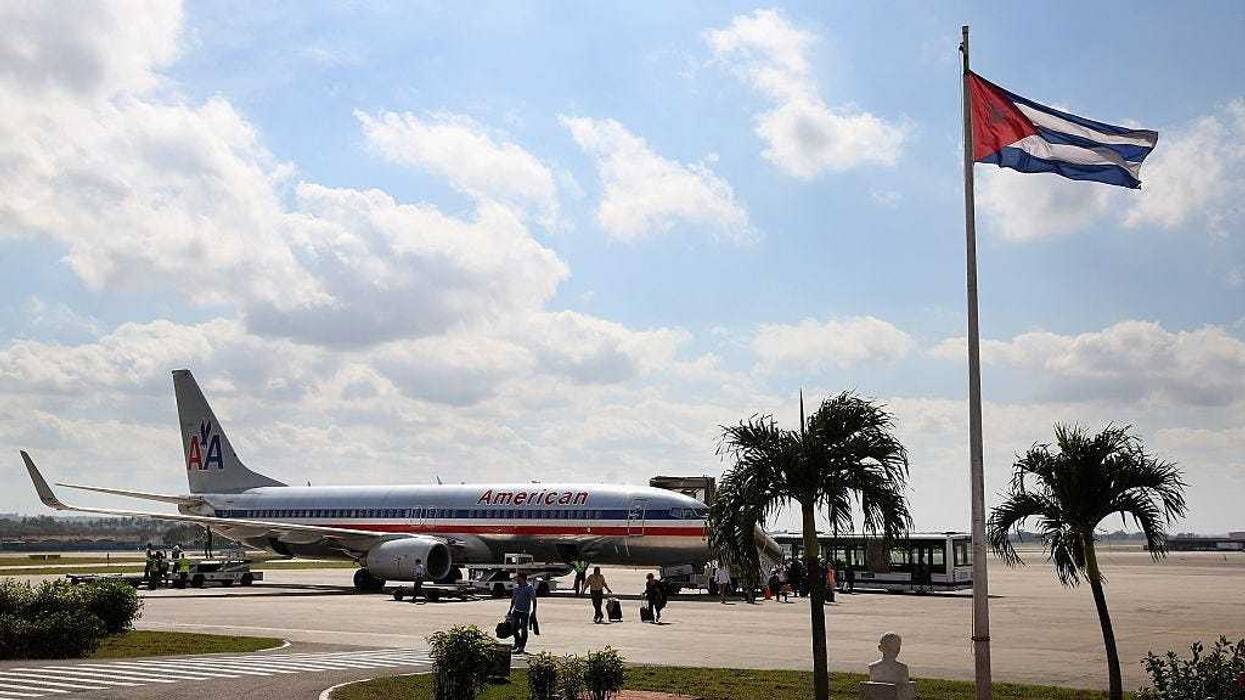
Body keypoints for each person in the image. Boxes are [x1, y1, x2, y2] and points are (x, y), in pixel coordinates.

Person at [508, 572, 537, 654]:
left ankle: (522, 646)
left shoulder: (529, 588)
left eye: (517, 578)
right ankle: (517, 642)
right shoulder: (516, 588)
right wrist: (510, 610)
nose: (516, 579)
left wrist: (534, 611)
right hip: (516, 611)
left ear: (522, 578)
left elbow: (534, 600)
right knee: (513, 628)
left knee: (524, 630)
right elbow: (513, 599)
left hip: (525, 612)